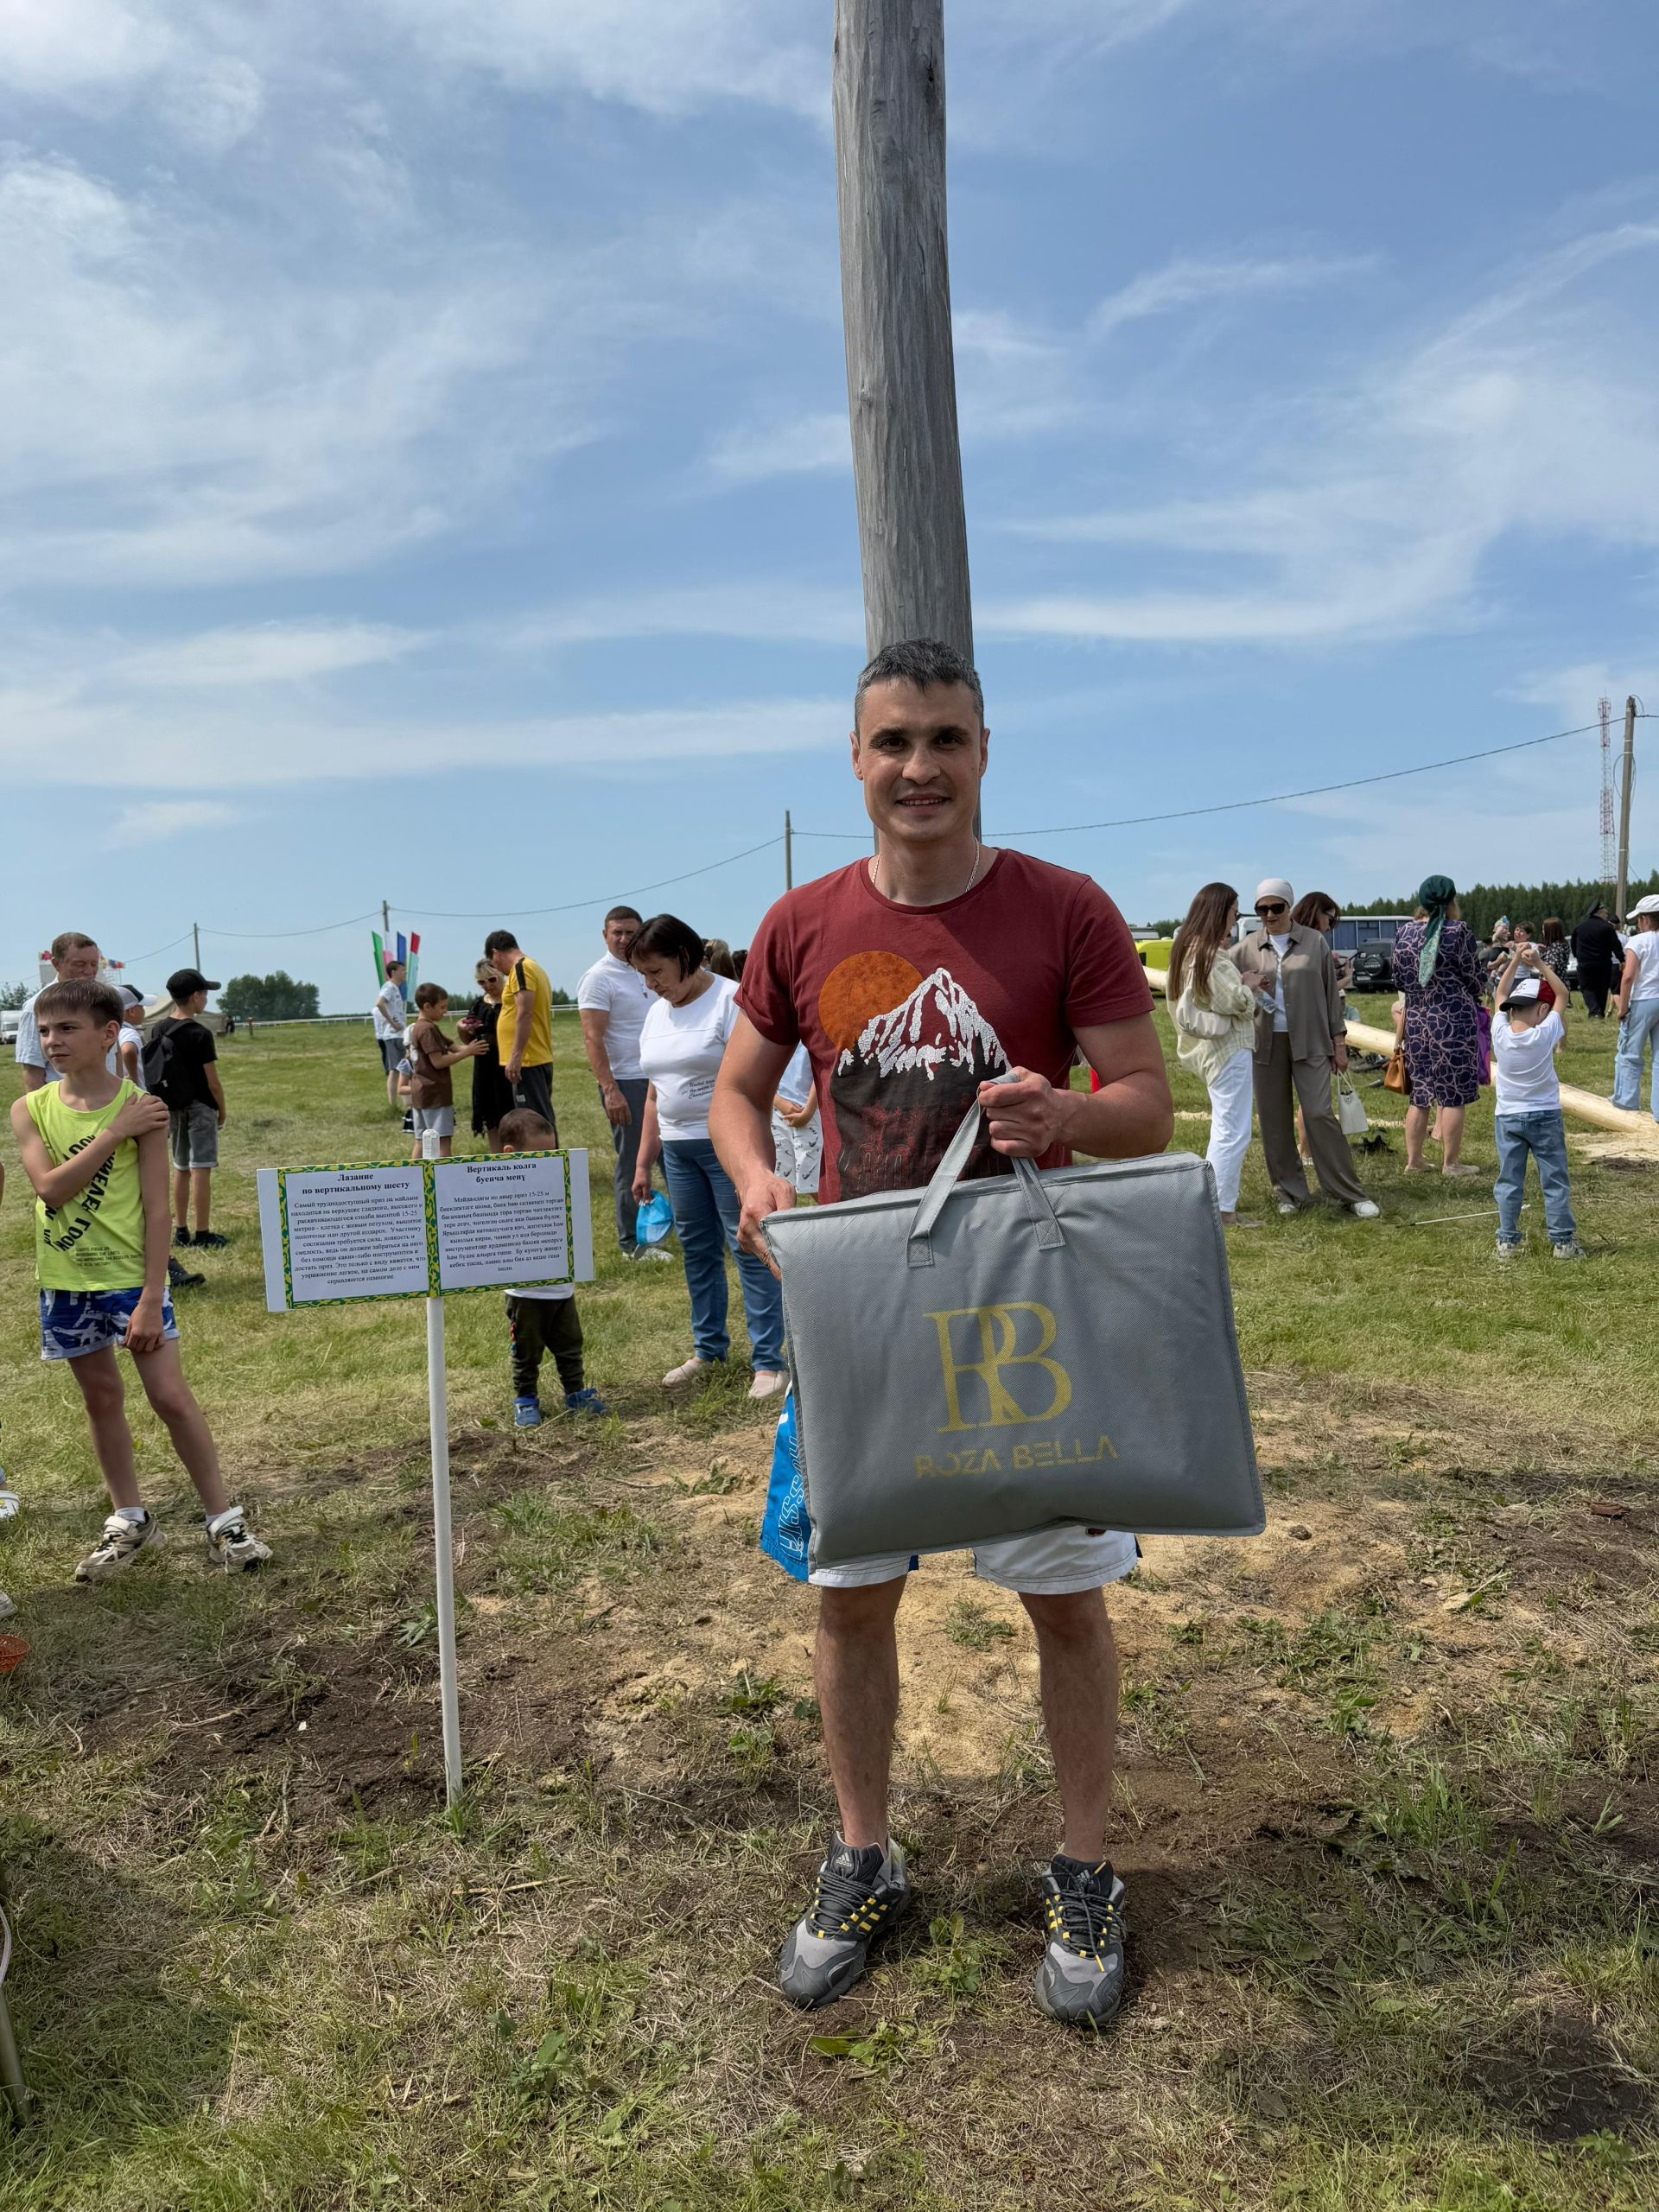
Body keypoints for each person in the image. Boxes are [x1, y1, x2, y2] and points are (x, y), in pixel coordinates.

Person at [710, 635, 1172, 2030]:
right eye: (893, 742)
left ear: (984, 753)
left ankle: (1084, 1869)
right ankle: (865, 1855)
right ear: (854, 761)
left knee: (1063, 1596)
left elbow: (1146, 1105)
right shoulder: (800, 925)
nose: (920, 767)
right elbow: (739, 1093)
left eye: (946, 741)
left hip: (1025, 1310)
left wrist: (1067, 1113)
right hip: (856, 1311)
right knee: (849, 1595)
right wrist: (755, 1179)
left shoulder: (1065, 910)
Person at [8, 977, 271, 1582]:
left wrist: (153, 1296)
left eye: (67, 1028)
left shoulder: (145, 1110)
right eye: (44, 1031)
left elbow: (157, 1211)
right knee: (101, 1399)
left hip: (132, 1281)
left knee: (169, 1396)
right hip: (65, 1281)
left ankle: (223, 1520)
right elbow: (50, 1188)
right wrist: (112, 1133)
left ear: (109, 1033)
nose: (53, 1041)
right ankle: (128, 1518)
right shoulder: (31, 1109)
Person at [630, 914, 787, 1402]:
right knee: (696, 1249)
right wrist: (643, 1160)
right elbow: (655, 1094)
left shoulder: (730, 1001)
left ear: (686, 957)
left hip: (727, 1148)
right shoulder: (656, 1014)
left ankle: (770, 1360)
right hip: (677, 1151)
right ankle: (709, 1349)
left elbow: (753, 1082)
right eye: (643, 975)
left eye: (656, 972)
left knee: (749, 1246)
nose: (651, 984)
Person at [1235, 880, 1379, 1219]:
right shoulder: (1245, 948)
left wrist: (1339, 1042)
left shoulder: (1315, 942)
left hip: (1312, 1040)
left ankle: (1348, 1192)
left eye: (1276, 907)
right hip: (1265, 1044)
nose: (1269, 915)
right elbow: (1215, 978)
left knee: (1318, 1113)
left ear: (1290, 907)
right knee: (1274, 1120)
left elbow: (1331, 995)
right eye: (1261, 909)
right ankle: (1289, 1192)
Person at [498, 1107, 608, 1427]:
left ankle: (575, 1392)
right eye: (541, 1154)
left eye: (553, 1152)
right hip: (526, 1295)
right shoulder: (500, 1193)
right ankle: (526, 1399)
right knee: (526, 1351)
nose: (550, 1159)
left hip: (562, 1290)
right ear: (510, 1154)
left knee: (570, 1344)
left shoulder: (558, 1184)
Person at [1166, 884, 1259, 1226]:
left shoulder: (1188, 949)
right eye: (1234, 912)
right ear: (1220, 912)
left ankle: (1214, 1204)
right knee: (1233, 1131)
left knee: (1226, 1127)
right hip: (1227, 1049)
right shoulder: (1208, 955)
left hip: (1214, 1051)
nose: (1235, 920)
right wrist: (1248, 986)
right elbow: (1234, 1002)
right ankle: (1220, 1210)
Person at [577, 906, 665, 1261]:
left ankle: (689, 1228)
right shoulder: (598, 978)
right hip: (626, 1082)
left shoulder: (646, 971)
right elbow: (592, 1038)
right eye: (617, 933)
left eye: (631, 932)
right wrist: (610, 1089)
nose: (624, 939)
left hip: (660, 1077)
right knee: (633, 1162)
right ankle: (633, 1243)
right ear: (605, 935)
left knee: (671, 1156)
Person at [1488, 947, 1581, 1261]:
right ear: (1541, 1010)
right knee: (1554, 1179)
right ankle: (1563, 1243)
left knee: (1509, 1180)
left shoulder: (1499, 1033)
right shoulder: (1545, 1034)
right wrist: (1539, 963)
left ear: (1511, 1009)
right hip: (1545, 1116)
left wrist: (1515, 959)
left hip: (1508, 1118)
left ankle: (1507, 1242)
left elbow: (1500, 992)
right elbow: (1563, 993)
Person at [1389, 879, 1484, 1179]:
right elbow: (1474, 978)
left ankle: (1414, 1161)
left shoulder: (1404, 932)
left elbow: (1398, 978)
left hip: (1417, 1020)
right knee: (1454, 1094)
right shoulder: (1458, 931)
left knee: (1419, 1094)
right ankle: (1451, 1164)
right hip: (1453, 1020)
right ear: (1451, 901)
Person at [149, 968, 230, 1249]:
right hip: (200, 1107)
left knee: (181, 1168)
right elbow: (212, 1082)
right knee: (201, 1168)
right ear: (195, 996)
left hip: (173, 1106)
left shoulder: (158, 1028)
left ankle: (181, 1230)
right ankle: (203, 1232)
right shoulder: (200, 1033)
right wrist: (222, 1110)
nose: (206, 999)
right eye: (205, 994)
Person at [14, 932, 110, 1090]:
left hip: (111, 1098)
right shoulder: (36, 1007)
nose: (89, 971)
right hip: (66, 1102)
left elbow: (115, 1056)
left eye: (94, 964)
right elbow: (33, 1069)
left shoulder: (104, 1001)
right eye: (80, 964)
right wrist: (38, 1107)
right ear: (56, 964)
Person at [407, 983, 486, 1161]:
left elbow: (453, 1047)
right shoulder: (427, 1030)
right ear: (427, 1006)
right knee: (442, 1140)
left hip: (421, 1094)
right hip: (435, 1094)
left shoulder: (421, 1027)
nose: (446, 1011)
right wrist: (468, 1052)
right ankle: (443, 1175)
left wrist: (473, 1046)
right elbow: (438, 1062)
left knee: (422, 1141)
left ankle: (413, 1174)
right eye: (442, 1007)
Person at [485, 930, 556, 1124]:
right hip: (532, 1057)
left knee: (534, 1123)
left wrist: (516, 1056)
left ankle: (546, 1147)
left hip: (528, 1060)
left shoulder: (521, 969)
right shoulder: (532, 967)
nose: (497, 969)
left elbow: (525, 1013)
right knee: (537, 1119)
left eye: (493, 963)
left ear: (495, 953)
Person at [1611, 893, 1659, 1119]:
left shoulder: (1638, 941)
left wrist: (1622, 1008)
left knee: (1630, 1053)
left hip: (1643, 1000)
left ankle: (1626, 1102)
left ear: (1645, 919)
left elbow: (1628, 977)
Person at [460, 960, 513, 1153]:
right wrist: (462, 1028)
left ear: (500, 976)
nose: (488, 985)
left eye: (491, 979)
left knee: (511, 1113)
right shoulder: (478, 1005)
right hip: (484, 1064)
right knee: (490, 1114)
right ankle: (496, 1157)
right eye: (481, 982)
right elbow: (468, 1039)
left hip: (507, 1061)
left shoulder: (511, 1000)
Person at [771, 1044, 822, 1198]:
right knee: (782, 1183)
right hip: (777, 1114)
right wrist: (779, 1102)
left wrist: (808, 1111)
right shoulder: (770, 1034)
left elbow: (823, 1068)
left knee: (815, 1184)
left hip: (812, 1111)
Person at [1572, 902, 1620, 1020]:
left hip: (1585, 963)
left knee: (1587, 987)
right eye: (1605, 914)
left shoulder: (1579, 927)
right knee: (1602, 988)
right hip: (1603, 963)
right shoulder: (1607, 927)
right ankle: (1600, 1012)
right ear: (1599, 913)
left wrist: (1577, 956)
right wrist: (1622, 959)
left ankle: (1594, 1012)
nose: (1606, 916)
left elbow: (1573, 944)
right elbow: (1616, 945)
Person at [372, 959, 408, 1108]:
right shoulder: (389, 987)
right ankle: (394, 1105)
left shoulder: (395, 989)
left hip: (398, 1035)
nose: (405, 973)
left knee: (403, 1068)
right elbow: (379, 1003)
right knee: (396, 1069)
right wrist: (392, 1023)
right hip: (393, 1035)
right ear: (393, 972)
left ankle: (407, 1103)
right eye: (402, 970)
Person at [116, 987, 147, 1088]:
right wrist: (133, 1077)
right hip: (136, 1092)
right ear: (131, 1011)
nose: (143, 1011)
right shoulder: (128, 1032)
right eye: (141, 1007)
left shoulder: (111, 1032)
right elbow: (128, 1050)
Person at [1539, 917, 1570, 998]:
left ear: (1550, 931)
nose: (1542, 932)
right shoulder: (1562, 944)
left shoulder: (1555, 947)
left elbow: (1550, 968)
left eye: (1544, 929)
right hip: (1561, 982)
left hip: (1552, 986)